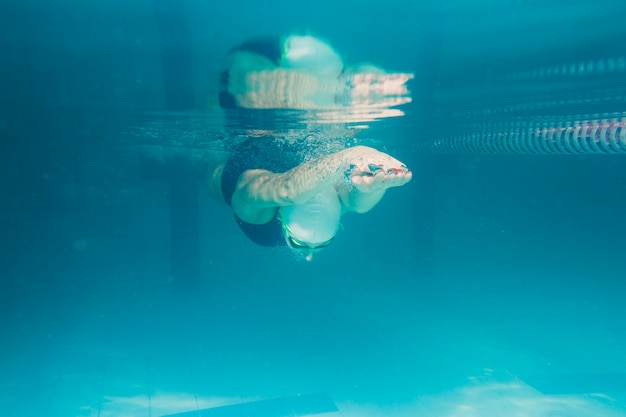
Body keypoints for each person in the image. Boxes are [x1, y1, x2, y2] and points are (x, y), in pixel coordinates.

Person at [208, 137, 412, 261]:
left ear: (281, 219)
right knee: (358, 203)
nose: (309, 255)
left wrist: (345, 160)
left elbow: (285, 188)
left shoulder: (259, 219)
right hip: (288, 164)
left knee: (211, 176)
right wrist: (374, 184)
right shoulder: (336, 201)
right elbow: (355, 203)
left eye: (299, 243)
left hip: (238, 167)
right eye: (325, 243)